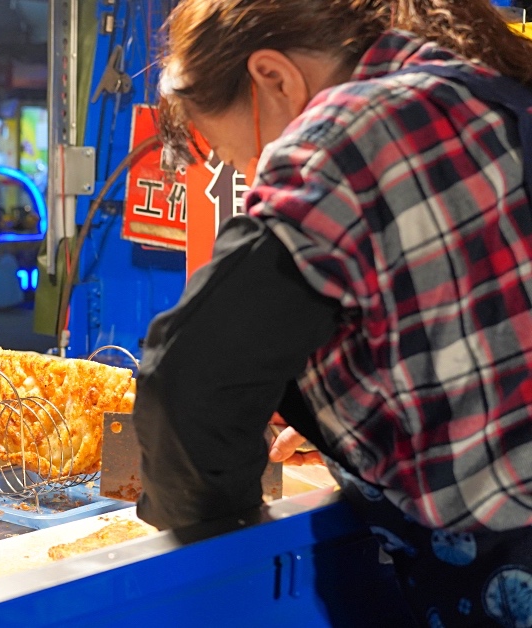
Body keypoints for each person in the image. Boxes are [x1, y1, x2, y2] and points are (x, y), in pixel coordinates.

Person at [133, 0, 532, 625]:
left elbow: (186, 381)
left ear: (275, 79)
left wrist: (218, 545)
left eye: (240, 156)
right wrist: (348, 422)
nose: (246, 175)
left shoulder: (352, 129)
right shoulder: (485, 93)